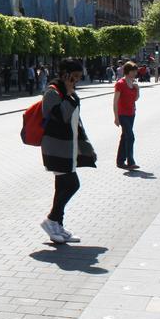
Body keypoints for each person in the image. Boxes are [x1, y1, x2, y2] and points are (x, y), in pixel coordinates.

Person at [40, 59, 96, 244]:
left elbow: (76, 122)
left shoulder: (65, 92)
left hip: (68, 147)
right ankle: (51, 220)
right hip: (56, 148)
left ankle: (57, 226)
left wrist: (85, 146)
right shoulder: (52, 92)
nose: (78, 81)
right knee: (72, 184)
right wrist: (71, 95)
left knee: (62, 186)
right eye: (75, 77)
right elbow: (62, 116)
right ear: (66, 75)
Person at [113, 62, 140, 171]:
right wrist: (116, 117)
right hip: (122, 114)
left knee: (125, 137)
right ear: (127, 71)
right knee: (130, 136)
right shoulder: (120, 83)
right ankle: (131, 161)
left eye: (135, 70)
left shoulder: (133, 83)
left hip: (131, 113)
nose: (135, 73)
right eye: (133, 71)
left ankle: (120, 161)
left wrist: (137, 89)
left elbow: (136, 99)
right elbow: (115, 101)